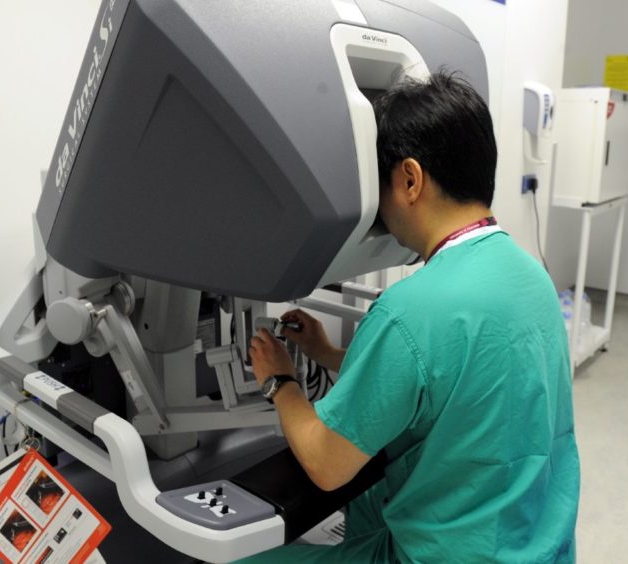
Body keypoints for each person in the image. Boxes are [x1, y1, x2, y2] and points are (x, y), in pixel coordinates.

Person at [244, 71, 579, 563]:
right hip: (534, 543)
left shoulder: (409, 310)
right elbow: (455, 378)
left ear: (409, 179)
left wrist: (282, 383)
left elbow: (324, 464)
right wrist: (332, 354)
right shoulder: (529, 276)